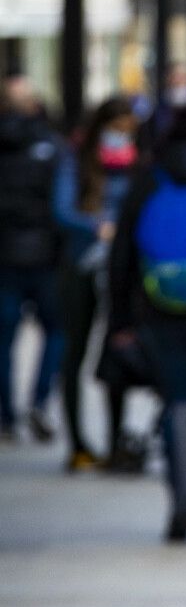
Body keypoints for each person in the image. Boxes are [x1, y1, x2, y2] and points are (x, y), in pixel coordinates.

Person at [108, 97, 186, 540]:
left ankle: (183, 497)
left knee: (179, 396)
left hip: (157, 304)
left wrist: (119, 319)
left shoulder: (152, 177)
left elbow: (122, 253)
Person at [54, 95, 140, 472]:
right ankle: (77, 444)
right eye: (116, 129)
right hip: (81, 266)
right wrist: (98, 226)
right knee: (75, 351)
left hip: (121, 268)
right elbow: (62, 210)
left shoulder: (136, 164)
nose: (121, 137)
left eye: (127, 130)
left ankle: (115, 441)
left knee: (115, 352)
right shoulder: (75, 160)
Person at [0, 78, 64, 442]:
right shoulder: (51, 146)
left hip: (6, 253)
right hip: (44, 253)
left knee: (3, 339)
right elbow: (63, 207)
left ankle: (7, 414)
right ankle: (39, 401)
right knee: (56, 331)